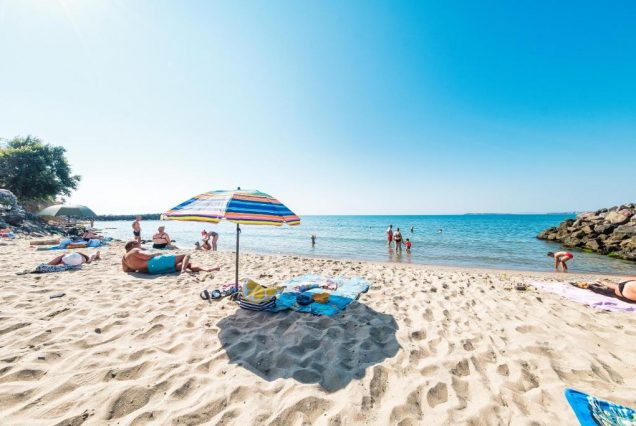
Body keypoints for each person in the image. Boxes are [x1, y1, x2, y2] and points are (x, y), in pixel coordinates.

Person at [122, 241, 217, 274]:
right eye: (137, 243)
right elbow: (147, 257)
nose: (139, 244)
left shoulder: (124, 258)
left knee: (183, 264)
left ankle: (207, 269)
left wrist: (138, 267)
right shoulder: (134, 250)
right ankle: (183, 271)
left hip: (151, 271)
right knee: (186, 255)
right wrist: (156, 254)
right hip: (154, 263)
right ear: (133, 245)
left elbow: (127, 270)